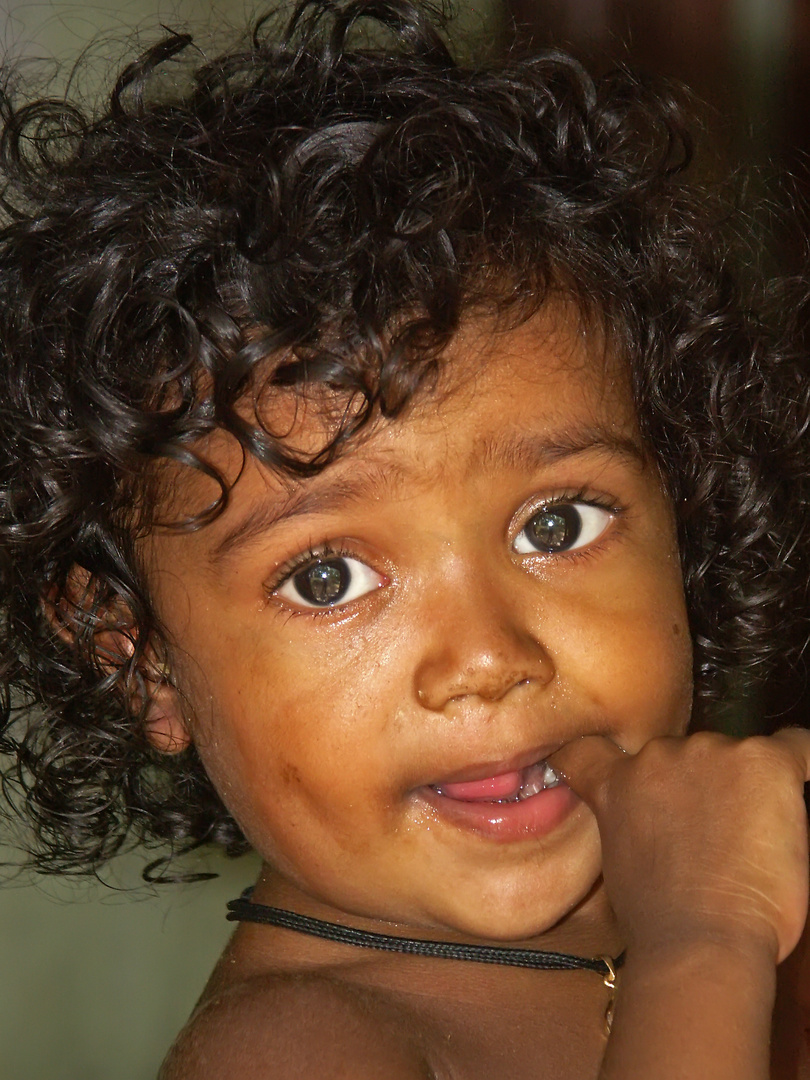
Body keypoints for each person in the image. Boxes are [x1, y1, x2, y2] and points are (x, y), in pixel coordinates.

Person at [0, 1, 808, 1076]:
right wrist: (707, 949)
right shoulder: (294, 1051)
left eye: (556, 524)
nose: (486, 658)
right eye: (329, 575)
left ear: (685, 497)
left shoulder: (672, 918)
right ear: (138, 654)